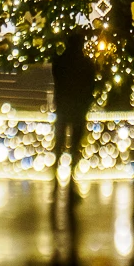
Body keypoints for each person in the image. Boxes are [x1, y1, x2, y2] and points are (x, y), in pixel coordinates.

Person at [51, 29, 96, 191]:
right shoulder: (86, 64)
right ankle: (71, 175)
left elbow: (57, 80)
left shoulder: (60, 61)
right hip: (77, 107)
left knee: (60, 142)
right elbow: (90, 86)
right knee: (74, 144)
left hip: (64, 106)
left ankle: (55, 176)